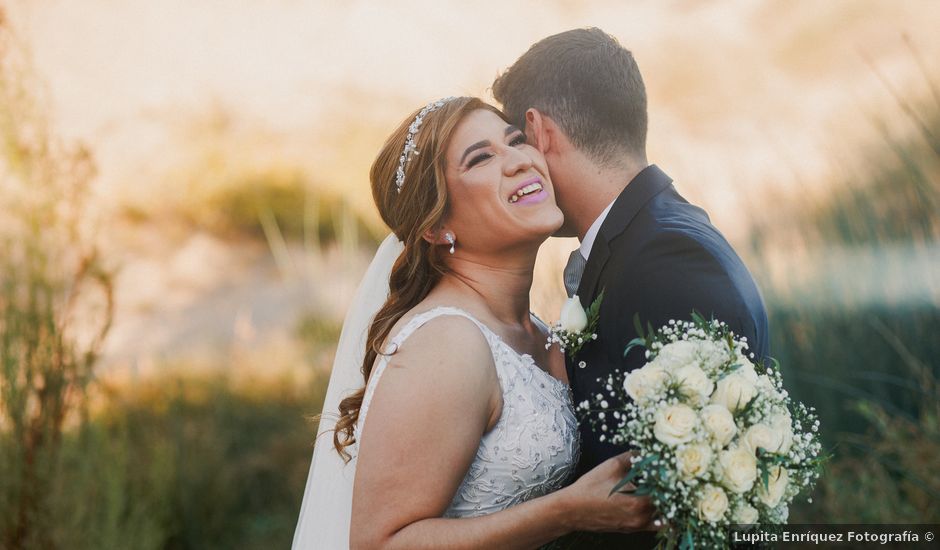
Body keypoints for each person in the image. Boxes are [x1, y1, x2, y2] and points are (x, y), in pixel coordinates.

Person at [292, 96, 657, 549]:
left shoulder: (539, 332)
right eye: (481, 158)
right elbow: (381, 544)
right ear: (436, 227)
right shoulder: (446, 342)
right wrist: (569, 510)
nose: (520, 161)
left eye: (516, 141)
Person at [492, 28, 771, 548]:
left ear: (539, 130)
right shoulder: (651, 237)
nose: (512, 167)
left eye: (513, 142)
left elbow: (682, 501)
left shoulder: (669, 260)